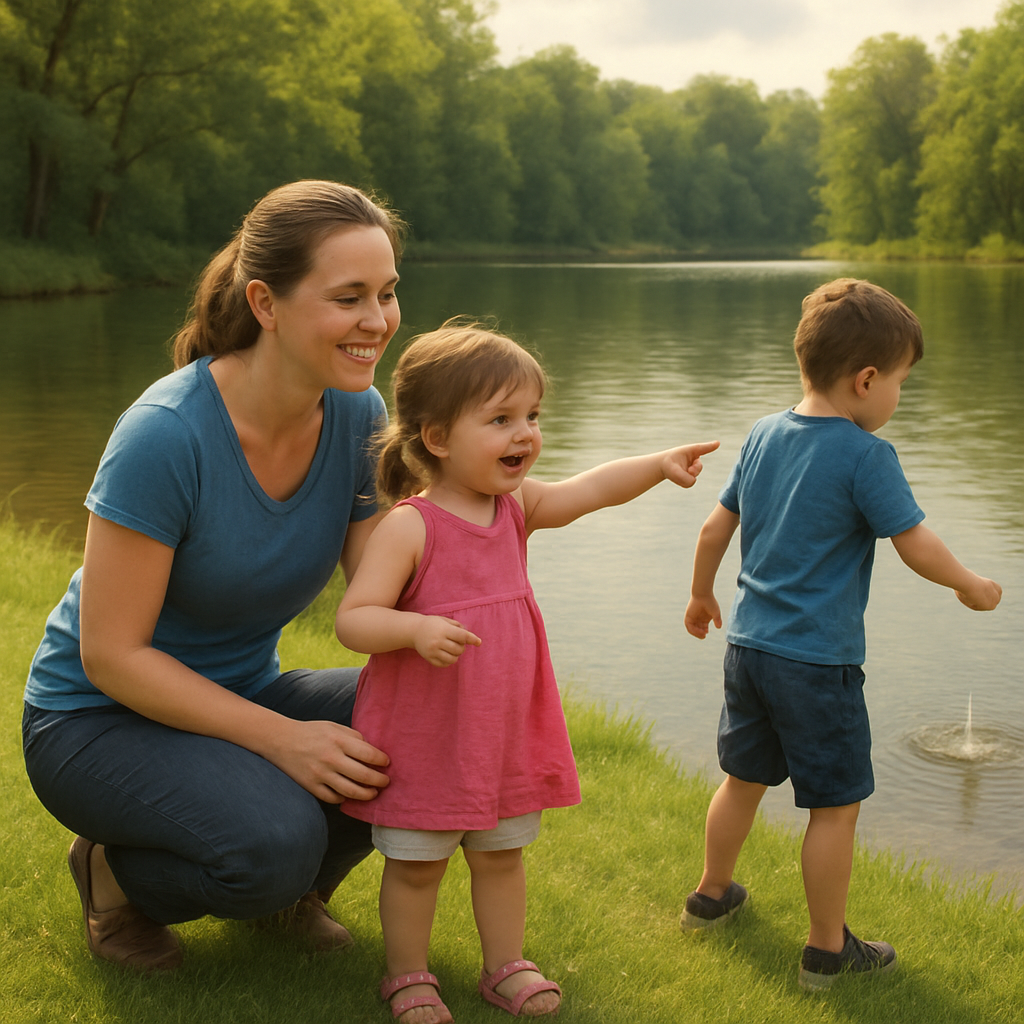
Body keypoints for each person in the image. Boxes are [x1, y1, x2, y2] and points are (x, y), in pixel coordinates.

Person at [21, 180, 403, 971]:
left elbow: (382, 590)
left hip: (236, 694)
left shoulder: (360, 416)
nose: (379, 321)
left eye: (389, 293)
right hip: (96, 722)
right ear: (265, 302)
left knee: (422, 718)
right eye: (350, 297)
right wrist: (284, 741)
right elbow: (112, 655)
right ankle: (112, 877)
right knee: (272, 842)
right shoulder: (164, 436)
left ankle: (287, 894)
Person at [335, 323, 719, 1022]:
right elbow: (354, 618)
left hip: (502, 729)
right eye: (502, 419)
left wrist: (657, 463)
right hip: (427, 735)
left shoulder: (516, 508)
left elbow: (592, 488)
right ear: (439, 438)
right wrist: (414, 628)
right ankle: (408, 976)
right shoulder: (411, 526)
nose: (525, 434)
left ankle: (504, 966)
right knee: (418, 863)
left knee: (502, 856)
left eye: (533, 417)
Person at [680, 278, 1003, 991]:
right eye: (899, 384)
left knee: (742, 780)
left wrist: (703, 595)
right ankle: (828, 949)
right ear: (865, 380)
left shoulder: (764, 433)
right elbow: (914, 544)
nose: (896, 399)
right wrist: (969, 584)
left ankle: (710, 895)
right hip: (816, 664)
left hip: (750, 651)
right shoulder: (865, 456)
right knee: (834, 807)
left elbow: (713, 528)